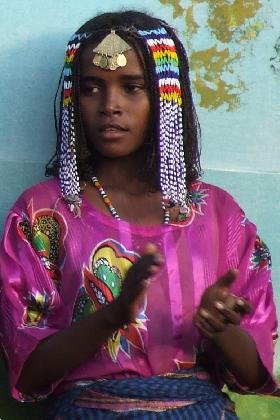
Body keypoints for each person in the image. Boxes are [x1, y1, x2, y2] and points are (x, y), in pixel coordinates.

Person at [0, 10, 278, 419]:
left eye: (132, 87)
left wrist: (220, 329)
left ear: (166, 99)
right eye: (92, 88)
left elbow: (255, 376)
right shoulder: (43, 213)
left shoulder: (220, 216)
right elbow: (27, 378)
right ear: (73, 98)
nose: (110, 106)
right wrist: (112, 315)